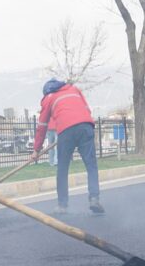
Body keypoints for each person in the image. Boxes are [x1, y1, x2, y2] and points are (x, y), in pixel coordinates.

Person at [30, 79, 102, 214]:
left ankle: (62, 206)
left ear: (46, 92)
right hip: (86, 127)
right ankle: (94, 199)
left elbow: (42, 126)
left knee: (62, 168)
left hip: (66, 131)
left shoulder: (49, 98)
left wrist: (36, 150)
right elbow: (87, 110)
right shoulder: (74, 89)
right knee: (91, 165)